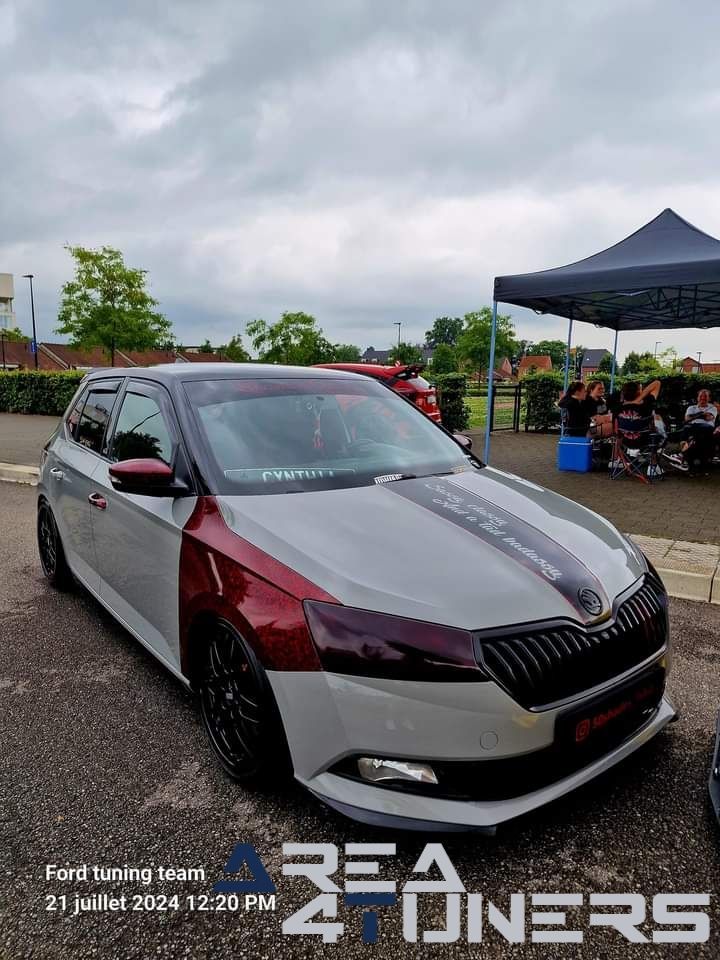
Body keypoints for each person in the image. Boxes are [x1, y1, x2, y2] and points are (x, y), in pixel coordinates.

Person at [663, 389, 718, 474]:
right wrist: (702, 414)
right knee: (686, 429)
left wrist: (694, 416)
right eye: (701, 396)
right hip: (692, 428)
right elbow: (687, 419)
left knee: (694, 428)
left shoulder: (712, 407)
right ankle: (683, 457)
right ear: (697, 398)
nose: (703, 398)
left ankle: (681, 456)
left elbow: (709, 418)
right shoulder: (691, 408)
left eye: (705, 396)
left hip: (707, 428)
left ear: (709, 398)